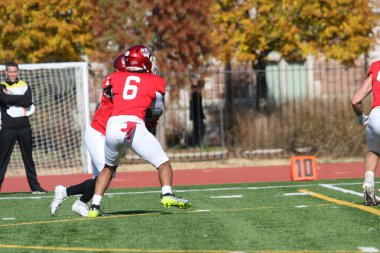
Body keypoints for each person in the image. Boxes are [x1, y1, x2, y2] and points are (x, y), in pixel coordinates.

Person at [88, 45, 192, 218]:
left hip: (112, 126)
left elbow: (112, 98)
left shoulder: (113, 77)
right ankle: (167, 194)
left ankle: (94, 206)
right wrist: (149, 116)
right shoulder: (155, 81)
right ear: (143, 61)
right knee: (163, 163)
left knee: (108, 168)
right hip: (133, 126)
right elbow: (157, 110)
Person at [50, 54, 126, 216]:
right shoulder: (115, 82)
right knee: (108, 173)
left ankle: (65, 193)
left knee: (101, 177)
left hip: (104, 135)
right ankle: (79, 202)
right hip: (98, 133)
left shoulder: (122, 83)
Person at [0, 62, 47, 194]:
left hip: (24, 126)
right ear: (6, 73)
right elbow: (3, 99)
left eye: (14, 71)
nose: (12, 74)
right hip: (8, 127)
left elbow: (27, 101)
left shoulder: (25, 85)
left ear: (18, 72)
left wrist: (10, 97)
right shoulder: (1, 86)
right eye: (10, 72)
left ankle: (35, 187)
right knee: (2, 158)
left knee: (28, 158)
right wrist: (14, 98)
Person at [351, 60, 380, 206]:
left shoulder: (377, 66)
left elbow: (356, 100)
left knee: (374, 151)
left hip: (376, 117)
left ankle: (369, 183)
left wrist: (361, 118)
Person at [189, 79, 206, 147]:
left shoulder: (196, 94)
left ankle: (193, 143)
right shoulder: (196, 95)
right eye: (202, 87)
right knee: (200, 130)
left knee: (197, 130)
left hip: (197, 115)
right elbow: (196, 107)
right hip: (196, 116)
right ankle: (193, 143)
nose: (202, 89)